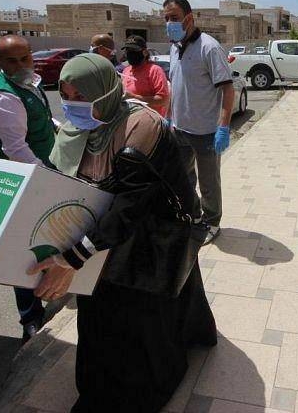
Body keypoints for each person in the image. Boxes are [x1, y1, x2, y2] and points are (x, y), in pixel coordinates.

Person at [27, 54, 216, 413]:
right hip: (110, 224)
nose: (71, 104)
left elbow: (128, 208)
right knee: (99, 311)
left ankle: (137, 391)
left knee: (138, 313)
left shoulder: (139, 128)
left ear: (103, 91)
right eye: (65, 95)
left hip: (154, 231)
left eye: (80, 95)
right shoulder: (87, 125)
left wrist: (71, 259)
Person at [0, 35, 56, 342]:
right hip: (16, 178)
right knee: (22, 253)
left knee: (45, 240)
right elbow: (15, 148)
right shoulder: (3, 96)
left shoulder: (29, 82)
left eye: (25, 57)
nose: (22, 64)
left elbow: (41, 120)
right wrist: (49, 176)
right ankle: (30, 318)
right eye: (12, 60)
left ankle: (51, 290)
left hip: (35, 174)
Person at [164, 0, 234, 245]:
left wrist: (223, 127)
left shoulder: (209, 47)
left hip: (205, 132)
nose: (169, 23)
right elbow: (176, 86)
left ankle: (212, 222)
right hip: (179, 129)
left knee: (209, 182)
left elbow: (227, 89)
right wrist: (168, 117)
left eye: (173, 18)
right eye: (166, 18)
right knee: (183, 178)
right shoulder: (174, 47)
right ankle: (193, 216)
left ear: (189, 18)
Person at [121, 34, 170, 116]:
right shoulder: (126, 70)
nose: (130, 54)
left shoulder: (155, 70)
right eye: (127, 51)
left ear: (145, 52)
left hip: (149, 122)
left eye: (134, 51)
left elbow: (162, 100)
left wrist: (134, 98)